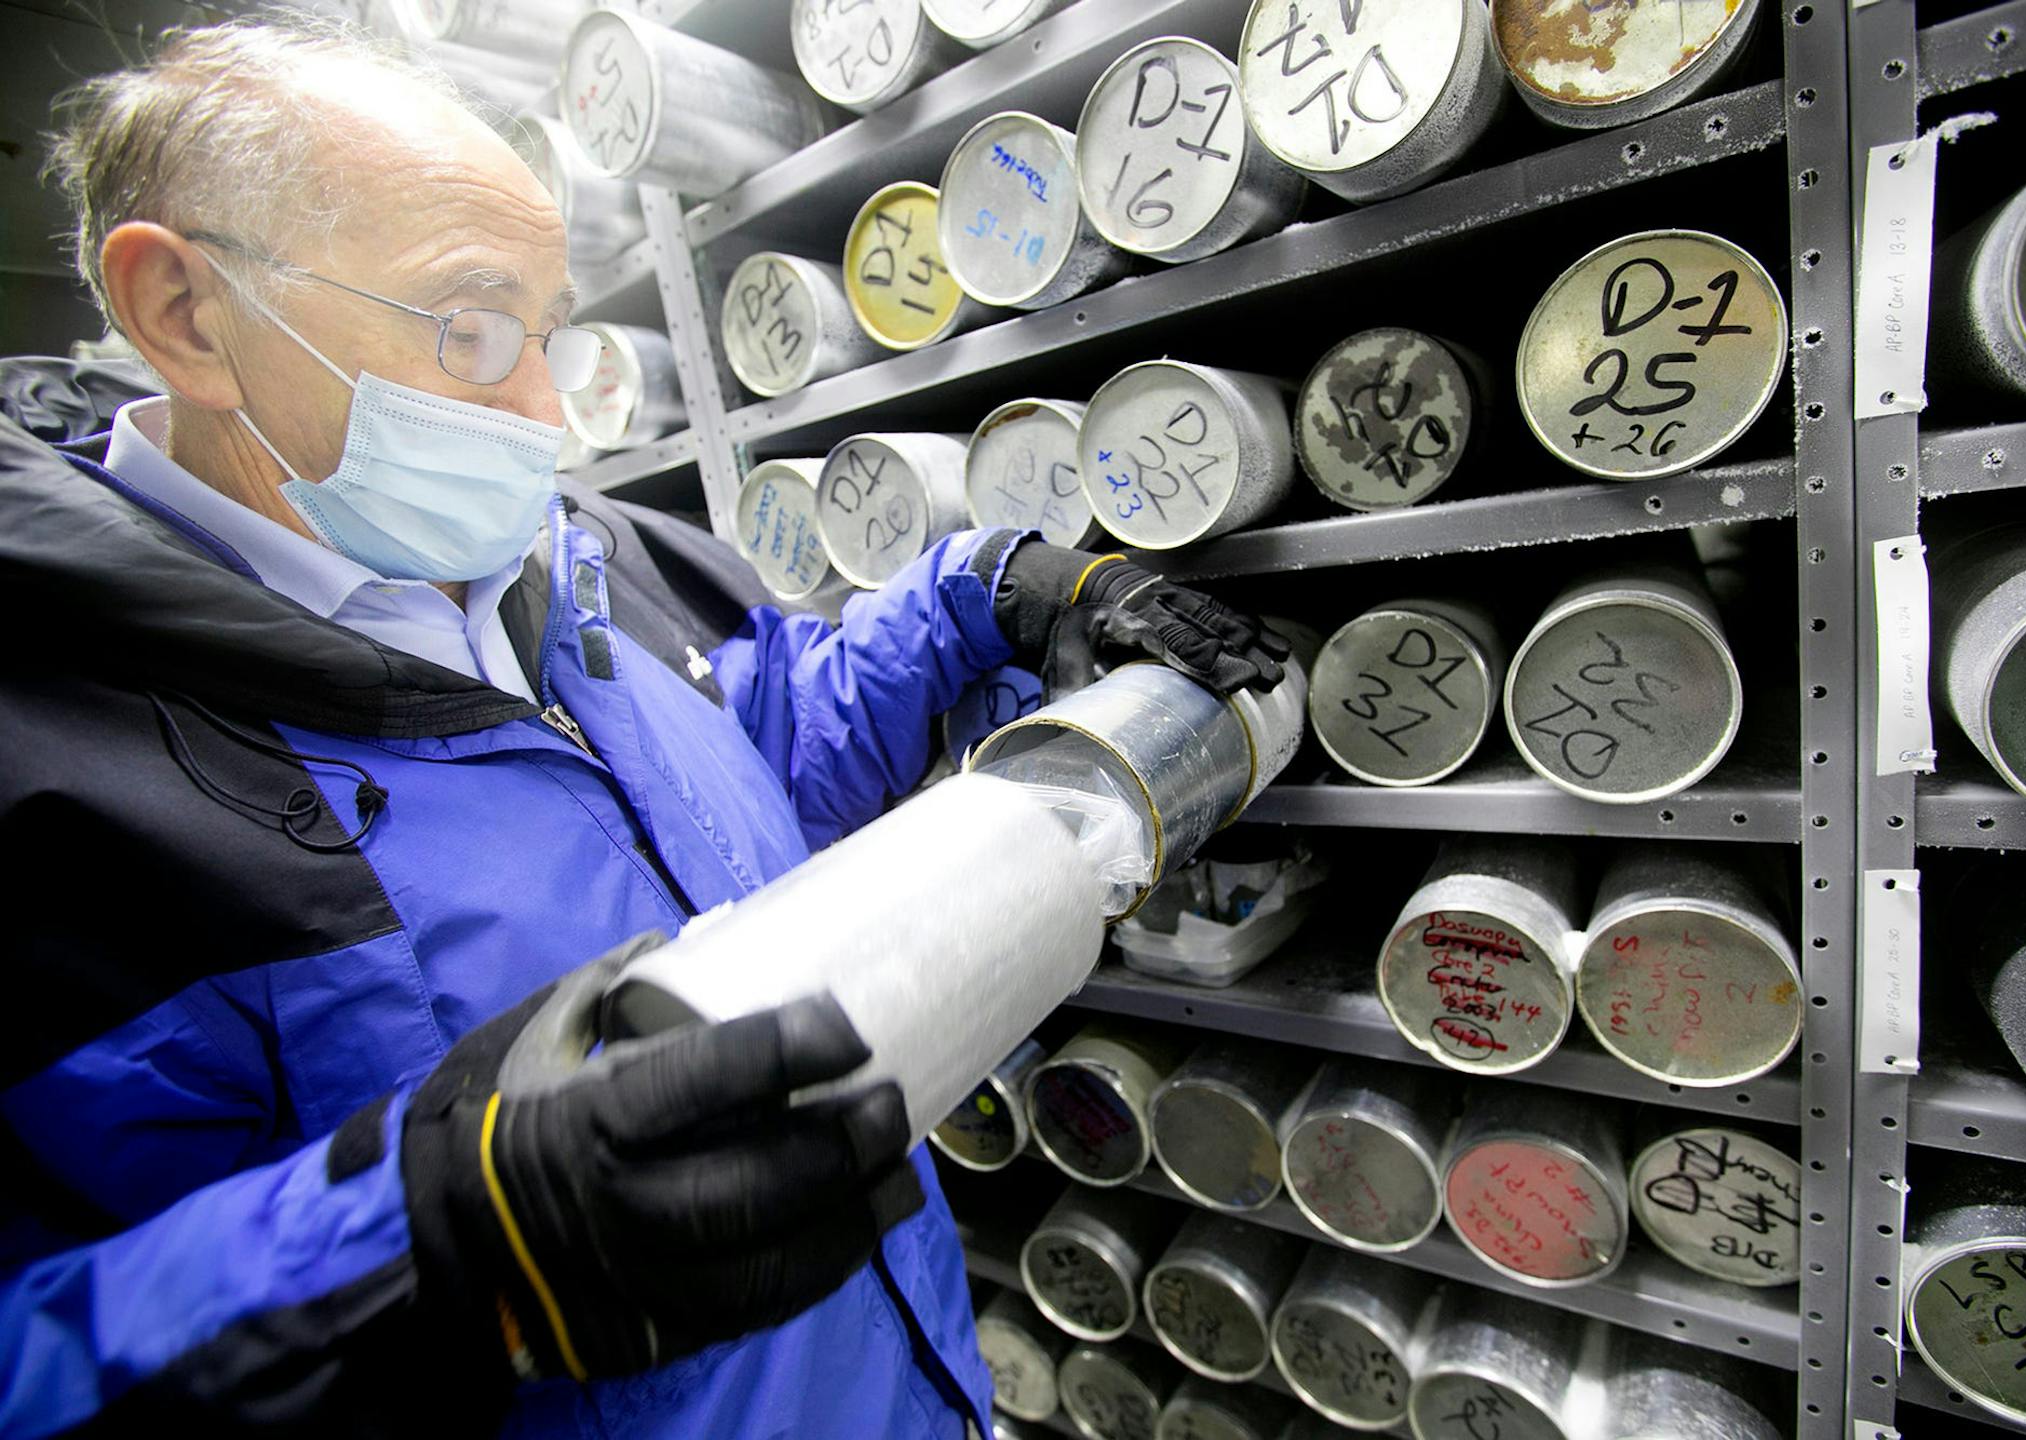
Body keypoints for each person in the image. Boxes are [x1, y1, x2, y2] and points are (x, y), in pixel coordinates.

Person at [0, 17, 1287, 1437]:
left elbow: (744, 773)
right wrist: (421, 1252)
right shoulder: (51, 783)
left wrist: (980, 596)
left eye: (544, 332)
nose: (547, 413)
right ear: (185, 312)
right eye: (473, 328)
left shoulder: (580, 556)